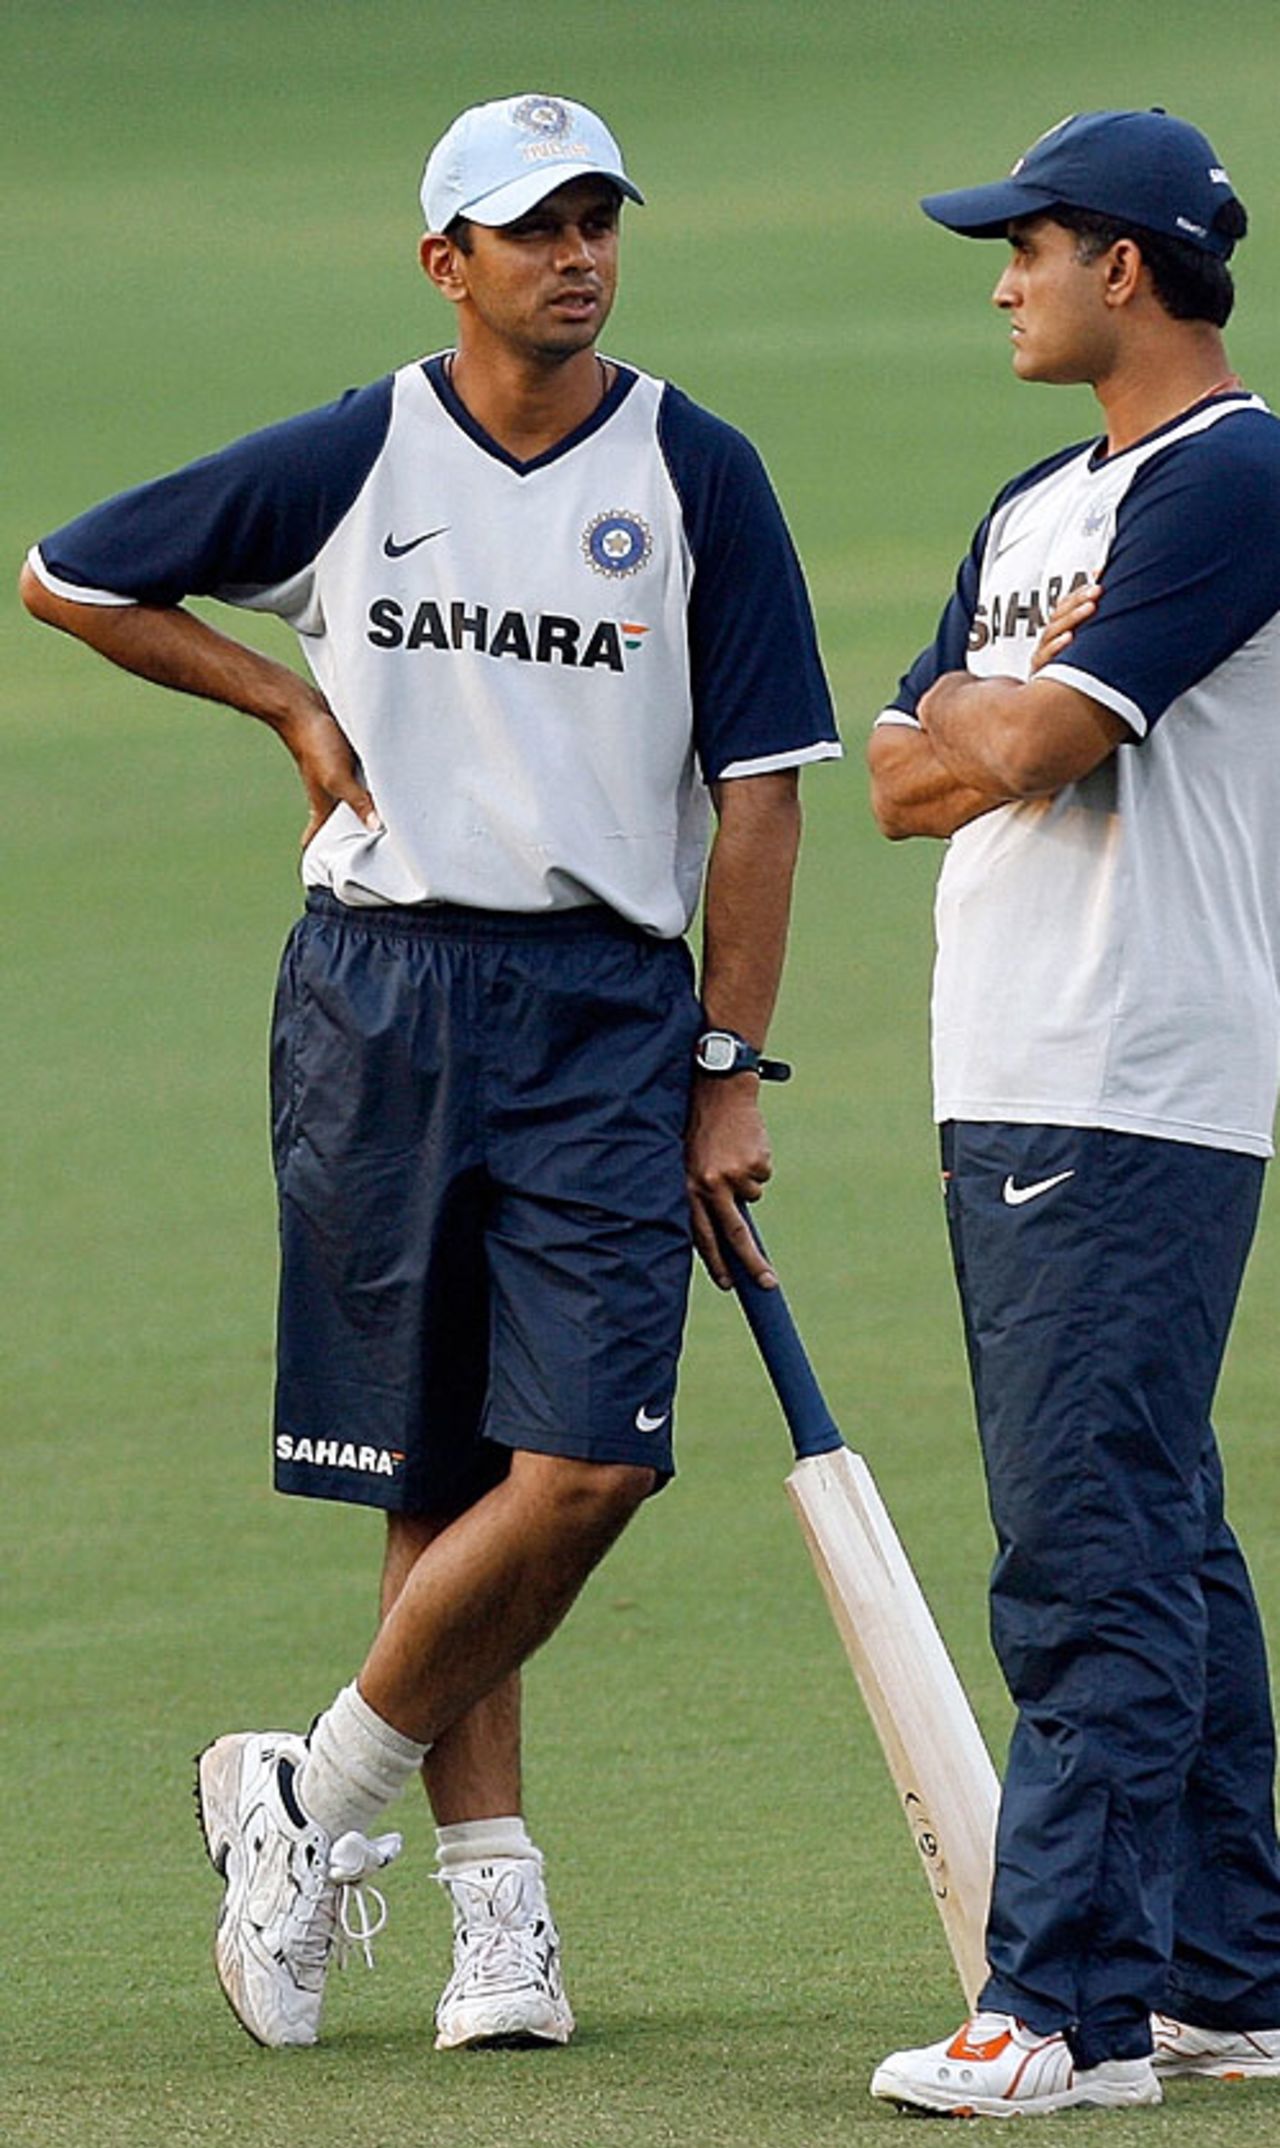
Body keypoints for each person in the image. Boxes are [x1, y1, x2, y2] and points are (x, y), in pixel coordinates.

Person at [20, 91, 839, 2051]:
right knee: (438, 1467)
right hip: (380, 1000)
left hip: (605, 1015)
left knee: (592, 1466)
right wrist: (286, 704)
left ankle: (301, 1795)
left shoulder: (696, 469)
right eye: (532, 226)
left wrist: (727, 1067)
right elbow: (69, 573)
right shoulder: (360, 451)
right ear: (442, 261)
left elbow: (761, 796)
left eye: (596, 219)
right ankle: (495, 1910)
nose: (577, 254)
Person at [865, 107, 1280, 2119]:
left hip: (1125, 1074)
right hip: (1021, 1068)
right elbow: (897, 774)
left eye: (1025, 248)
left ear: (1123, 266)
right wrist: (996, 719)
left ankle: (1063, 2013)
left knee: (1085, 1550)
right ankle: (1225, 1977)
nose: (1005, 283)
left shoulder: (1236, 476)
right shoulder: (1038, 499)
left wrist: (996, 716)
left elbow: (1022, 735)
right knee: (1160, 1527)